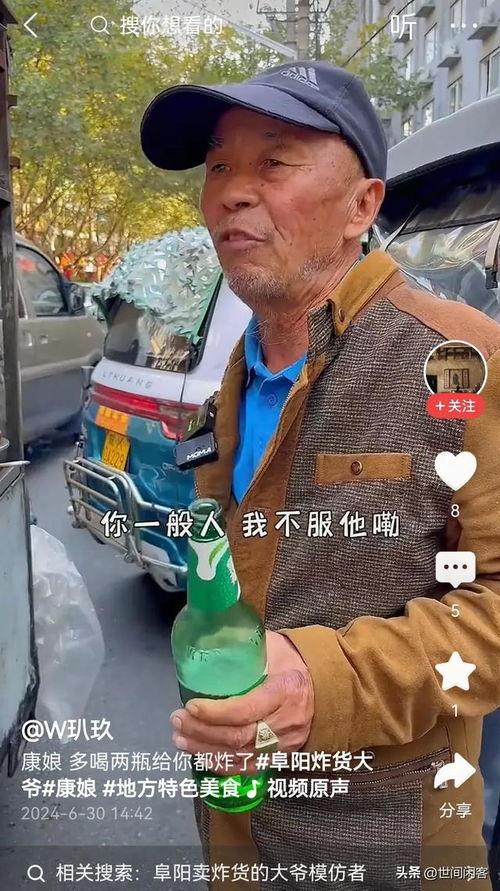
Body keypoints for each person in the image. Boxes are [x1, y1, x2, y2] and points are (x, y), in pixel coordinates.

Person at [141, 61, 500, 890]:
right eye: (218, 167)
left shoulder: (458, 358)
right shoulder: (240, 370)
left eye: (273, 161)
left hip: (392, 849)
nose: (232, 193)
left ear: (362, 206)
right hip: (238, 836)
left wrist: (323, 681)